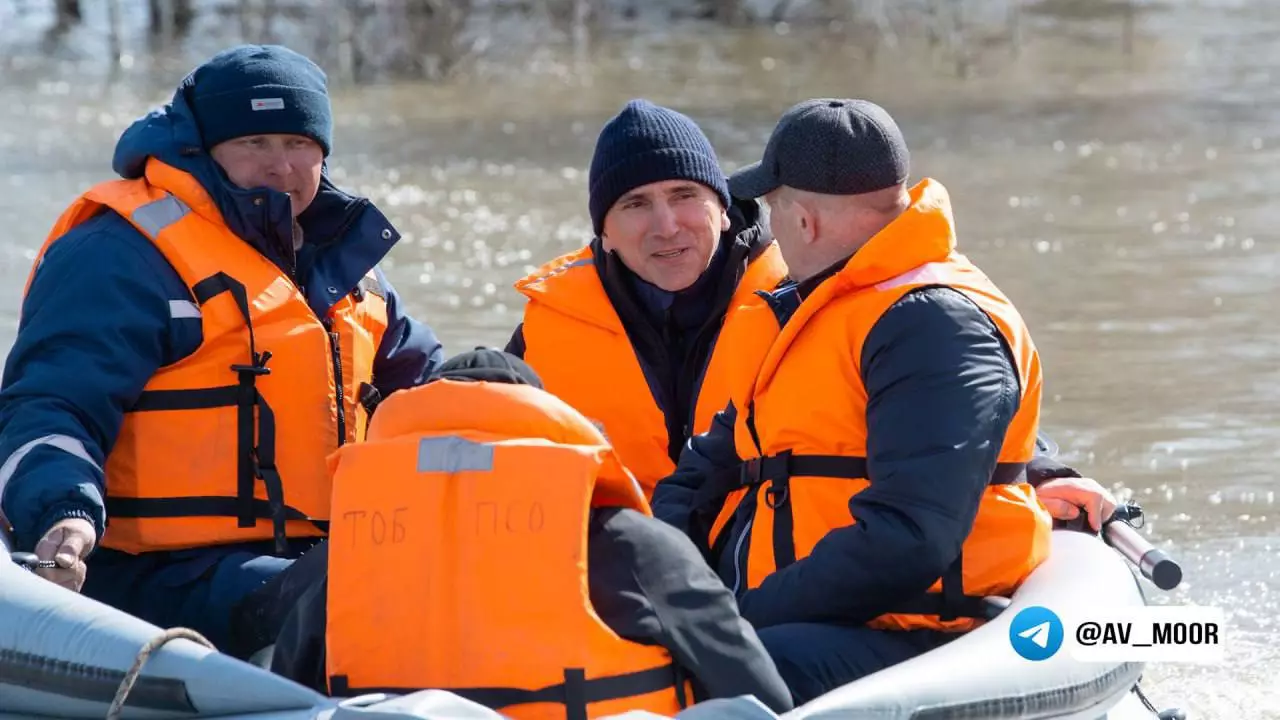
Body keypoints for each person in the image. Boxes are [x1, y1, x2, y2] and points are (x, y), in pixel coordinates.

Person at [0, 44, 444, 653]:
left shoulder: (349, 270)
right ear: (202, 149)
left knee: (442, 573)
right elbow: (50, 404)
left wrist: (498, 391)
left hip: (318, 557)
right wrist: (64, 511)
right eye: (253, 142)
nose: (280, 166)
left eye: (298, 144)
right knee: (357, 594)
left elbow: (430, 389)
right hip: (152, 578)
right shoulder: (119, 254)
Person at [649, 97, 1080, 704]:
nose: (769, 228)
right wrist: (658, 587)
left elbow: (910, 535)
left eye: (772, 207)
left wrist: (739, 620)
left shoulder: (933, 323)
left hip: (920, 637)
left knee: (714, 677)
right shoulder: (811, 308)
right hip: (813, 619)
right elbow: (713, 463)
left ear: (804, 221)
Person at [264, 348, 795, 717]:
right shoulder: (632, 546)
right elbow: (762, 698)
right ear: (550, 430)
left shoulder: (344, 559)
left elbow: (290, 700)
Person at [505, 99, 788, 498]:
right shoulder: (547, 326)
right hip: (616, 551)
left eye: (683, 195)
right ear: (604, 233)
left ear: (723, 209)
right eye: (636, 204)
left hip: (758, 553)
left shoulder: (796, 300)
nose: (667, 226)